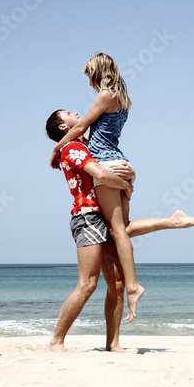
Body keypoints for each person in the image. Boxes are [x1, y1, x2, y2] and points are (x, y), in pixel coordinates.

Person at [46, 109, 194, 351]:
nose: (75, 112)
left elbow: (112, 170)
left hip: (102, 213)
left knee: (117, 283)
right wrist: (125, 185)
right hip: (87, 216)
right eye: (68, 113)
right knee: (88, 283)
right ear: (63, 127)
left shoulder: (88, 145)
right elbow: (101, 174)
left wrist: (131, 176)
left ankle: (113, 343)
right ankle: (56, 341)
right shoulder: (72, 147)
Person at [48, 53, 144, 320]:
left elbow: (81, 126)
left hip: (106, 162)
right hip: (120, 159)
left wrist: (57, 147)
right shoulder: (123, 97)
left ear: (99, 71)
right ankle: (172, 223)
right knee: (122, 229)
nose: (89, 79)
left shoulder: (105, 94)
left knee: (118, 230)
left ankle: (133, 286)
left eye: (90, 73)